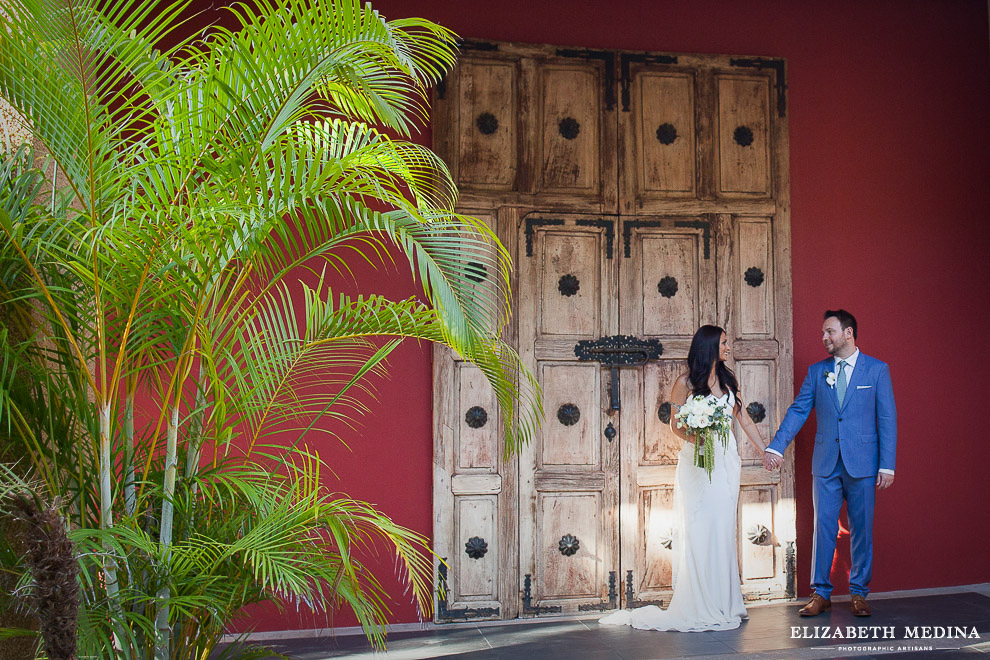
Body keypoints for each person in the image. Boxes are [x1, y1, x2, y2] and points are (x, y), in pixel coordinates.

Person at [600, 325, 767, 631]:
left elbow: (742, 417)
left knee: (722, 529)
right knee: (701, 530)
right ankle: (699, 602)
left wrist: (765, 450)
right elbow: (676, 426)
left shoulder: (729, 380)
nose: (729, 348)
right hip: (698, 465)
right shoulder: (685, 383)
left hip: (726, 463)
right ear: (709, 347)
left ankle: (726, 602)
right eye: (724, 343)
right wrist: (698, 437)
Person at [763, 309, 896, 617]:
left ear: (848, 333)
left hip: (863, 464)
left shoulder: (877, 370)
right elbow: (798, 411)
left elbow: (887, 418)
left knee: (862, 530)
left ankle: (859, 593)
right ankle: (820, 594)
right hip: (825, 464)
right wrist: (776, 446)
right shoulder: (817, 372)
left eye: (830, 332)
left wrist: (887, 464)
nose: (824, 338)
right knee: (823, 528)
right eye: (823, 333)